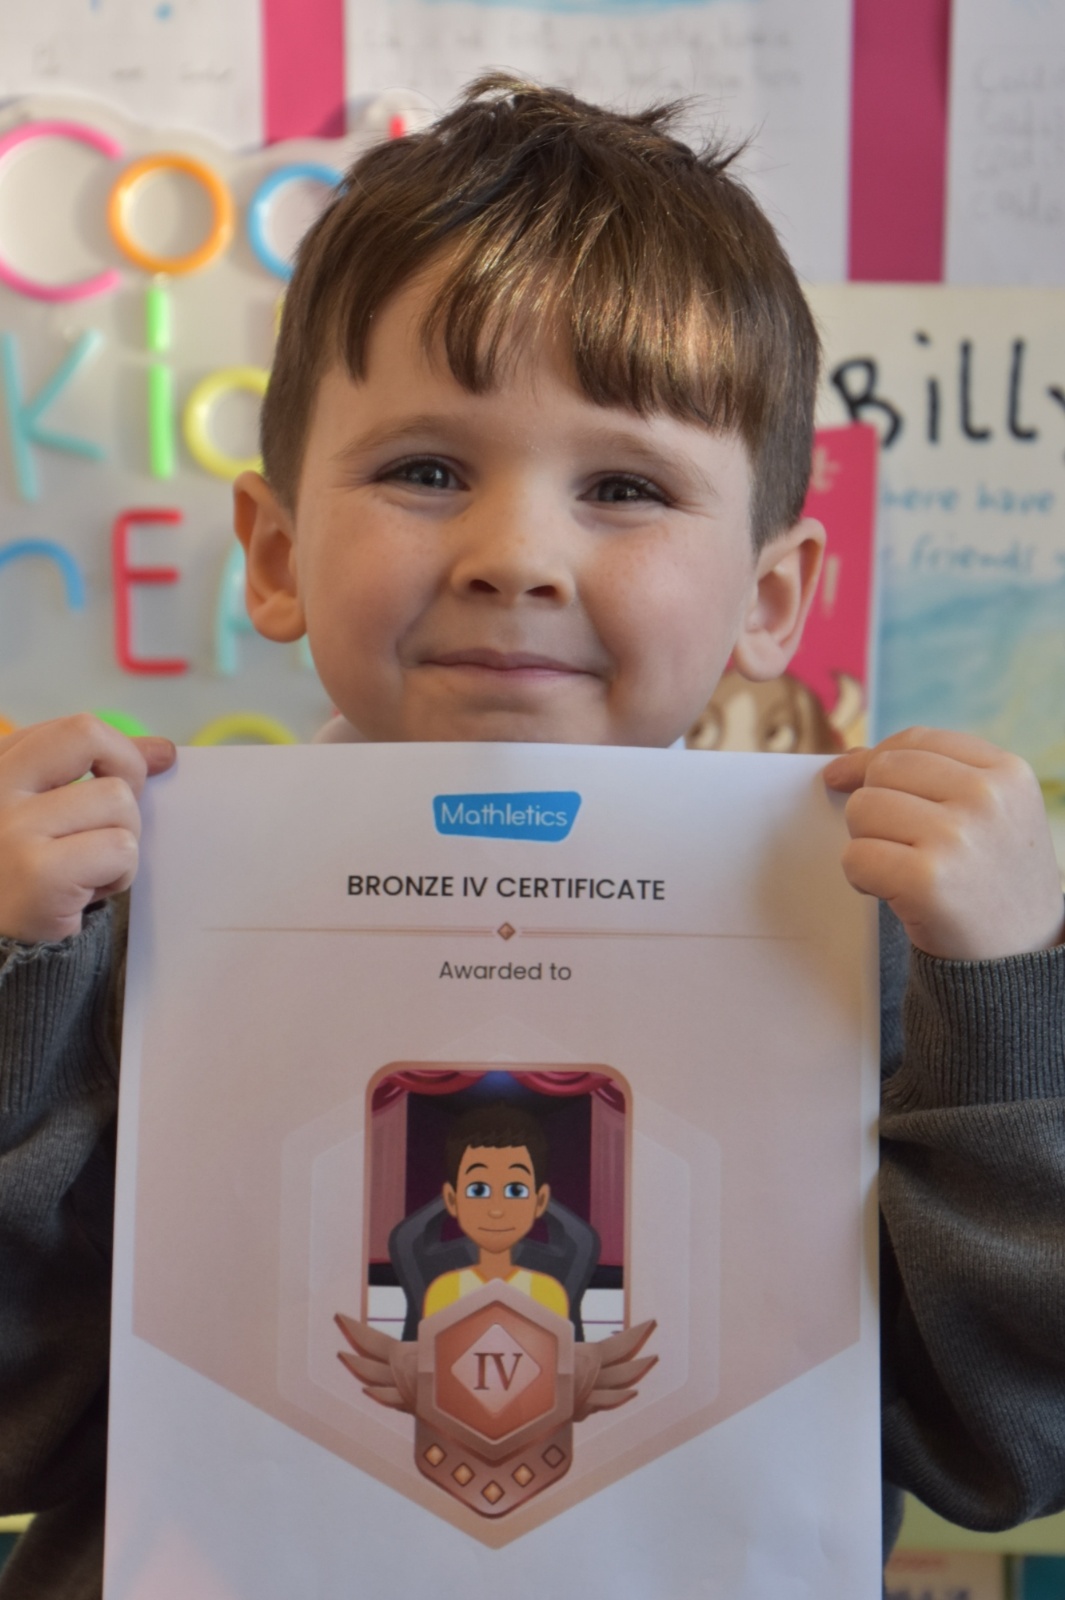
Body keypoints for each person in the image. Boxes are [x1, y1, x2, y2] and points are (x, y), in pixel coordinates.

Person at [1, 75, 1064, 1597]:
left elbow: (1006, 1450)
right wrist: (13, 977)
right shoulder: (101, 918)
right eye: (426, 470)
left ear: (772, 598)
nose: (516, 556)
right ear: (278, 553)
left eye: (624, 486)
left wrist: (1012, 999)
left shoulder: (899, 944)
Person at [423, 1104, 568, 1320]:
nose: (496, 1210)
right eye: (478, 1190)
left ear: (540, 1201)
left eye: (516, 1190)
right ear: (452, 1200)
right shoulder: (445, 1291)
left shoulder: (546, 1292)